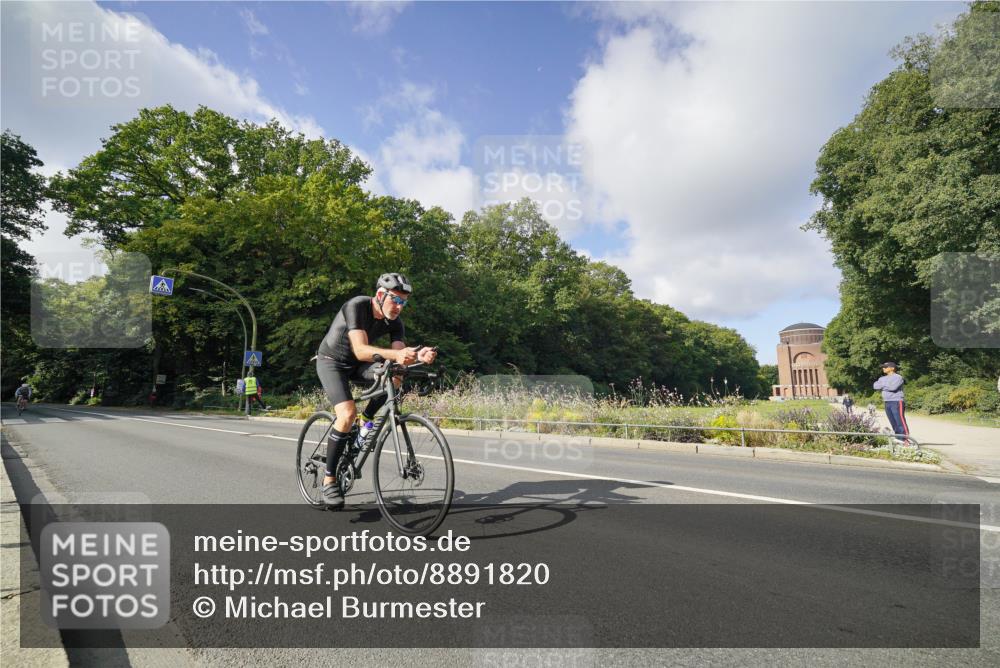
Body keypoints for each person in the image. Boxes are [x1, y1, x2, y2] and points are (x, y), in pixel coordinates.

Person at [314, 273, 437, 509]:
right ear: (380, 295)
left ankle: (368, 417)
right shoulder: (356, 306)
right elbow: (360, 350)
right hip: (332, 362)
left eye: (404, 302)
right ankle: (329, 480)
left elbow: (400, 357)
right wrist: (398, 355)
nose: (399, 306)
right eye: (395, 300)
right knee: (346, 415)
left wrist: (418, 356)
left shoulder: (395, 322)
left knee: (396, 373)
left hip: (359, 366)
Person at [873, 361, 909, 443]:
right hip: (887, 402)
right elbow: (875, 386)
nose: (883, 368)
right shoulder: (882, 378)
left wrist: (882, 386)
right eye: (883, 367)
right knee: (893, 422)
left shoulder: (898, 377)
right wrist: (887, 385)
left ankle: (905, 439)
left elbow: (893, 388)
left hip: (897, 401)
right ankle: (898, 439)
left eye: (885, 367)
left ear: (892, 368)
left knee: (900, 421)